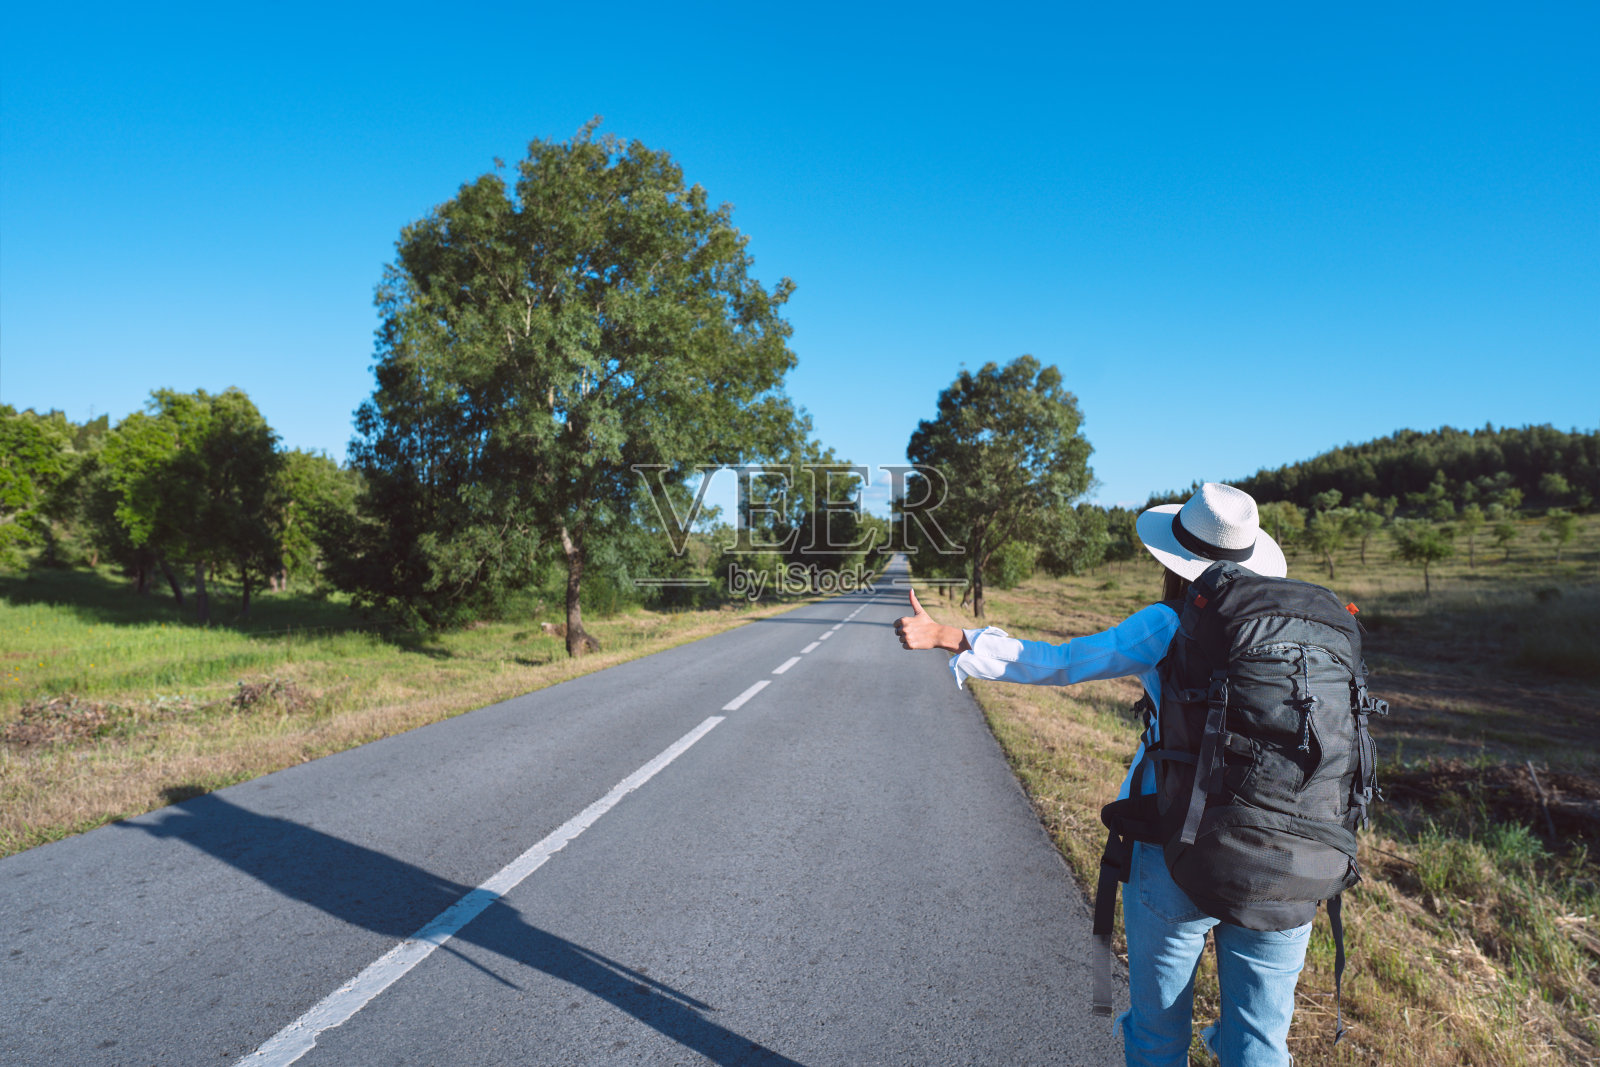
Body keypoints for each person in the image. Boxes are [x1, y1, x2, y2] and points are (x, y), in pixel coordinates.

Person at [894, 482, 1306, 1067]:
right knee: (1259, 1044)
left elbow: (1062, 663)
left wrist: (949, 635)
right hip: (1289, 856)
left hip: (1178, 846)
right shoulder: (1301, 634)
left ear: (1176, 562)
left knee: (1158, 1036)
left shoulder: (1171, 622)